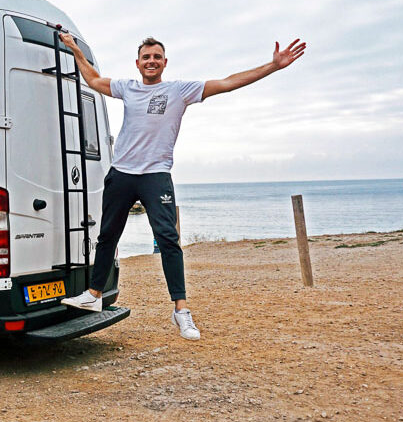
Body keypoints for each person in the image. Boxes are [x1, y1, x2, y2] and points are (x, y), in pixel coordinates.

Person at [58, 34, 306, 340]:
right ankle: (94, 294)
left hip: (155, 176)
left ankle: (181, 311)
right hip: (121, 173)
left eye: (156, 57)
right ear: (138, 63)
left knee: (168, 240)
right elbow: (94, 80)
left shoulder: (179, 91)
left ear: (165, 62)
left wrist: (272, 66)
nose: (151, 61)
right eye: (146, 57)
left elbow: (228, 82)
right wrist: (74, 49)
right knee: (107, 234)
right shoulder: (128, 88)